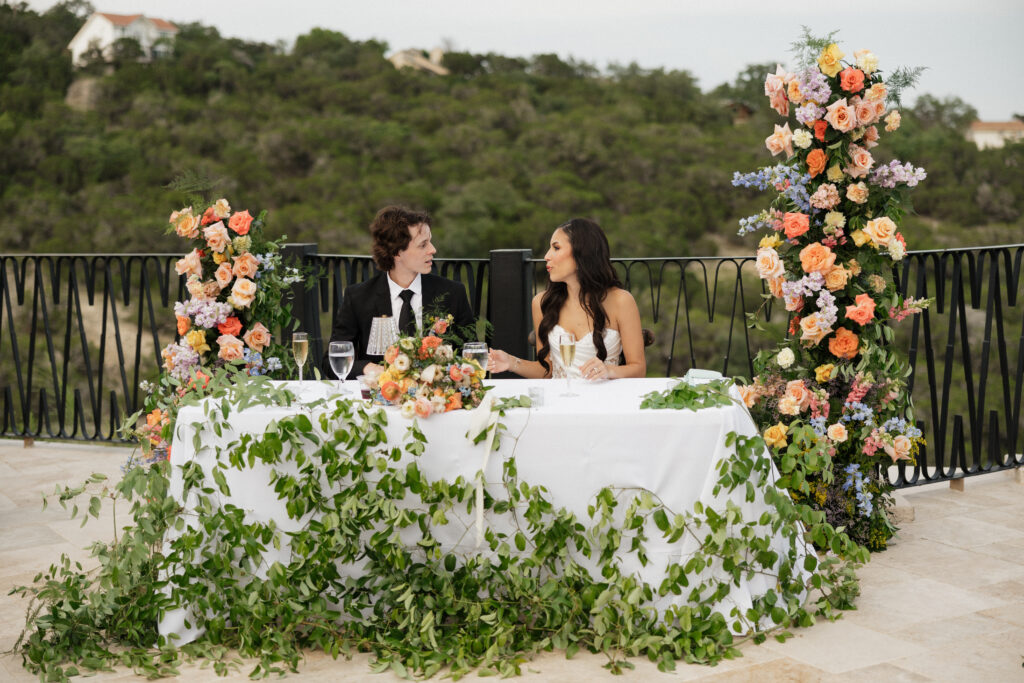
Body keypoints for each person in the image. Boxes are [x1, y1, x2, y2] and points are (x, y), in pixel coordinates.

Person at [325, 206, 476, 378]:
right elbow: (331, 360)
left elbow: (473, 356)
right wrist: (369, 368)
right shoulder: (359, 297)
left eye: (430, 241)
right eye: (423, 245)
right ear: (397, 252)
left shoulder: (452, 293)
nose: (432, 250)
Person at [489, 218, 646, 381]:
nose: (546, 256)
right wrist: (511, 362)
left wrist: (609, 371)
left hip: (605, 400)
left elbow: (638, 369)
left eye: (556, 248)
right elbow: (547, 371)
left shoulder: (621, 301)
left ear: (582, 254)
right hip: (560, 398)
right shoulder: (542, 302)